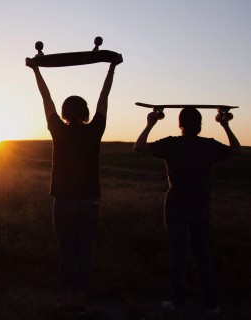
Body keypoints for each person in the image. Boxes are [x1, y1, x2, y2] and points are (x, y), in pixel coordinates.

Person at [26, 56, 122, 315]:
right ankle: (80, 300)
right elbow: (105, 96)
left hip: (64, 202)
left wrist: (36, 70)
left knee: (67, 252)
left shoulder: (58, 128)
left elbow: (45, 98)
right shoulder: (96, 129)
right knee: (84, 252)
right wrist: (112, 68)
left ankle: (68, 299)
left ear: (65, 112)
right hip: (90, 202)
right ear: (86, 112)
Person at [133, 108, 242, 318]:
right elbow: (237, 150)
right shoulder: (209, 145)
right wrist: (225, 124)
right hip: (200, 207)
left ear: (179, 124)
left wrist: (151, 122)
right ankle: (212, 306)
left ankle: (177, 302)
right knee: (203, 257)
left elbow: (138, 146)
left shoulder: (172, 144)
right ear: (200, 124)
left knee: (178, 256)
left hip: (175, 207)